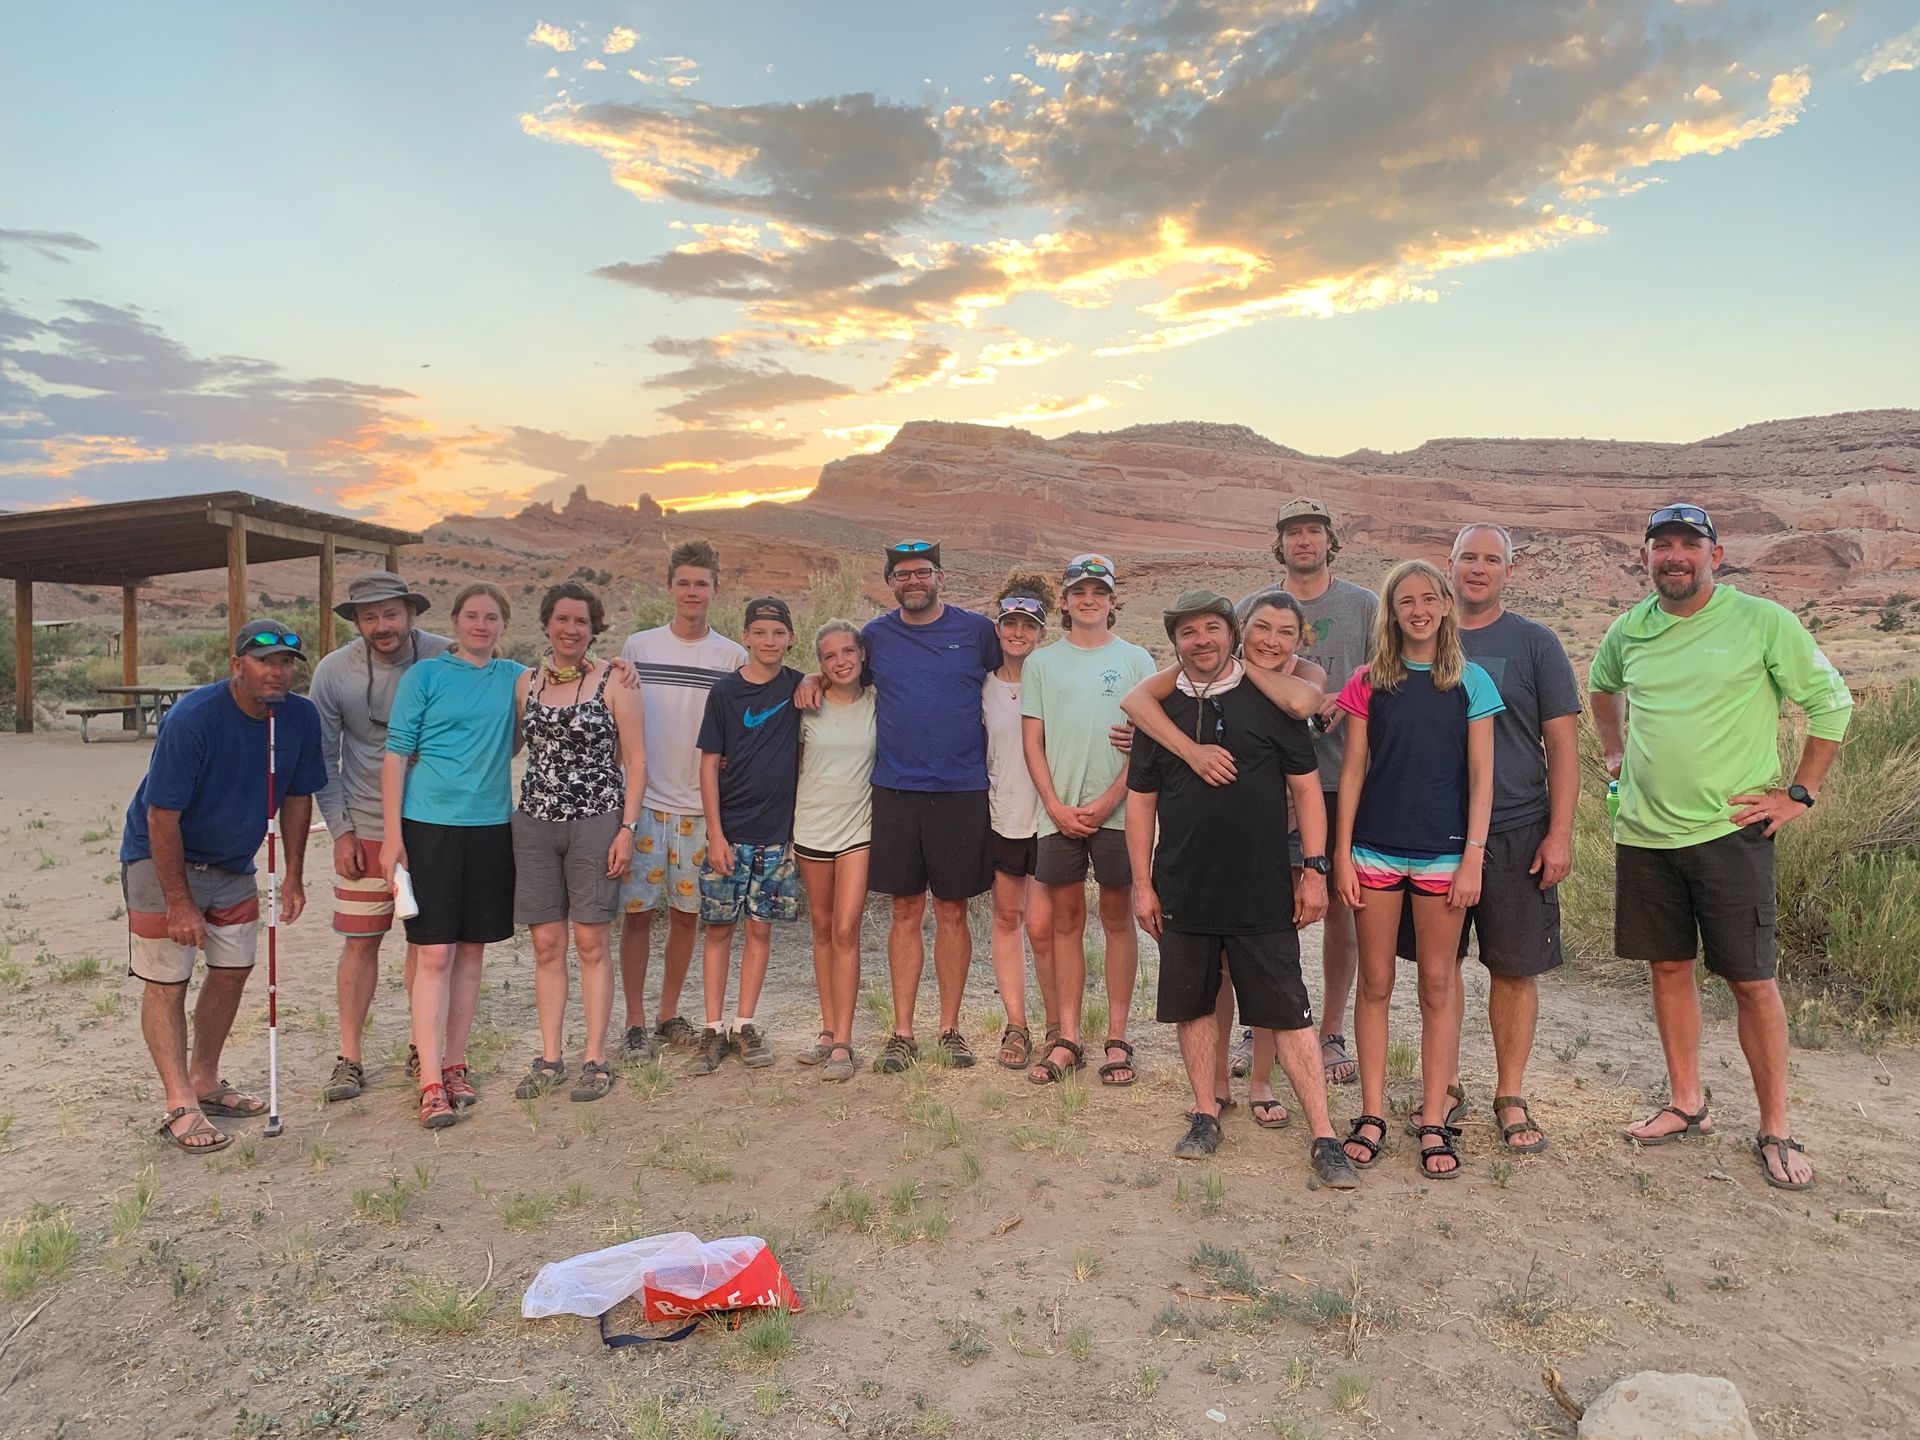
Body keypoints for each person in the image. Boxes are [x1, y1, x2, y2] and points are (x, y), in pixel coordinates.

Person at [1591, 503, 1852, 1191]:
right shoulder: (1629, 630)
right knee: (1669, 968)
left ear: (1716, 552)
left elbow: (1832, 703)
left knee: (1751, 980)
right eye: (1661, 545)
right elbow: (1601, 687)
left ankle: (1775, 1129)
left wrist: (1797, 795)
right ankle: (1687, 1102)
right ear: (1644, 556)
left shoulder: (1761, 621)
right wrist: (1614, 751)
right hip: (1645, 834)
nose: (1674, 556)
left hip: (1730, 834)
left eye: (1688, 545)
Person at [1124, 592, 1354, 1186]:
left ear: (1232, 635)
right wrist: (1142, 886)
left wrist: (1314, 868)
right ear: (1175, 643)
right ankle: (1205, 1112)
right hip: (1183, 881)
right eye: (1189, 633)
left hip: (1261, 883)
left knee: (1287, 1008)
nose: (1202, 640)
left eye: (1212, 629)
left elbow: (1306, 790)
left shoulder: (1273, 701)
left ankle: (1325, 1135)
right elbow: (1141, 802)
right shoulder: (1160, 708)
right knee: (1195, 1003)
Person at [1392, 525, 1579, 1153]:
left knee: (1514, 965)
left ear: (1508, 570)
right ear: (1448, 567)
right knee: (1437, 971)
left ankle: (1510, 1092)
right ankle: (1441, 1087)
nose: (1478, 569)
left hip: (1514, 830)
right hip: (1428, 833)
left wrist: (1559, 833)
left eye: (1490, 560)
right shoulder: (1409, 639)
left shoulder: (1534, 643)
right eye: (1467, 558)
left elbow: (1563, 746)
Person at [123, 621, 327, 1153]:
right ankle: (179, 1103)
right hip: (161, 858)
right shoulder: (193, 719)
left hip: (233, 862)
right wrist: (179, 902)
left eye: (287, 663)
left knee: (233, 969)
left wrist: (296, 875)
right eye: (265, 661)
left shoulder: (300, 718)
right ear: (237, 664)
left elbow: (298, 797)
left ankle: (207, 1080)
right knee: (168, 977)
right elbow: (161, 814)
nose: (278, 672)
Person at [800, 540, 1001, 1074]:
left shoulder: (976, 631)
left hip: (961, 790)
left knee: (953, 911)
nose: (913, 581)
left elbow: (1012, 680)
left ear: (940, 577)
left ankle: (951, 1030)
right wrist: (810, 676)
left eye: (922, 572)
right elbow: (842, 672)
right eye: (902, 574)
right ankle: (902, 1032)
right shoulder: (876, 637)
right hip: (894, 791)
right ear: (890, 582)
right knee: (906, 909)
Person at [1332, 560, 1503, 1181]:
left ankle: (1434, 1117)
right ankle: (1372, 1113)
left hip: (1446, 853)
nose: (1419, 609)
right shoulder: (1368, 681)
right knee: (1375, 984)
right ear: (1392, 611)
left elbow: (1483, 777)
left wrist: (1475, 858)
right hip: (1375, 849)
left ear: (1446, 606)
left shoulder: (1471, 682)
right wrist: (1343, 854)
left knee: (1437, 984)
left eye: (1430, 598)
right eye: (1406, 600)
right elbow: (1353, 771)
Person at [1238, 498, 1377, 1090]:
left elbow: (1382, 670)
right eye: (1293, 533)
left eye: (1313, 532)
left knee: (1339, 902)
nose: (1303, 541)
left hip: (1343, 772)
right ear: (1280, 542)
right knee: (1266, 904)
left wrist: (1340, 706)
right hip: (1270, 778)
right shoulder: (1251, 607)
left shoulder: (1363, 605)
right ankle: (1259, 1026)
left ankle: (1332, 1031)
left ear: (1329, 541)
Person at [381, 582, 526, 1129]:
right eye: (472, 616)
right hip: (427, 825)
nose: (481, 625)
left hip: (490, 826)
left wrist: (617, 668)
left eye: (492, 617)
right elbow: (395, 758)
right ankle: (430, 1083)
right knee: (434, 953)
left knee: (470, 952)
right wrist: (392, 837)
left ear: (503, 625)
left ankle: (455, 1063)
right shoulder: (426, 676)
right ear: (456, 622)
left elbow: (571, 681)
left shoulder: (515, 678)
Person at [310, 570, 452, 1101]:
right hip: (366, 827)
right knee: (361, 941)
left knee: (426, 939)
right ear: (358, 621)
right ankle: (349, 1056)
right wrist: (341, 831)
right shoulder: (333, 673)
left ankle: (423, 1046)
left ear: (412, 614)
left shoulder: (446, 657)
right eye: (369, 616)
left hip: (434, 824)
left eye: (391, 613)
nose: (381, 625)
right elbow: (324, 759)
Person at [1021, 555, 1157, 1088]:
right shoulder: (1042, 663)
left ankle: (1118, 1036)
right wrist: (1053, 804)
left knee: (1119, 917)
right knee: (1065, 921)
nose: (1089, 599)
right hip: (1058, 813)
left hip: (1121, 812)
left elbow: (1147, 739)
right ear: (1064, 601)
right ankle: (1069, 1037)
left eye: (1099, 591)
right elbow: (1033, 741)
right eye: (1079, 591)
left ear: (1113, 600)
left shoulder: (1136, 660)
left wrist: (1108, 801)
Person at [510, 583, 647, 1104]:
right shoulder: (525, 683)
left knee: (591, 943)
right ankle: (549, 1058)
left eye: (582, 622)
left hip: (597, 822)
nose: (571, 629)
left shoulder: (616, 680)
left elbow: (636, 760)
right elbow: (508, 743)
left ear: (594, 629)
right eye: (562, 619)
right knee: (547, 945)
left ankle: (595, 1057)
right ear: (546, 623)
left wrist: (627, 830)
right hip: (536, 823)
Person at [616, 540, 746, 1060]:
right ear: (669, 587)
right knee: (637, 915)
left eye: (703, 583)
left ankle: (669, 1013)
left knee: (687, 916)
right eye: (684, 582)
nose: (693, 592)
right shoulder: (638, 648)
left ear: (717, 589)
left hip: (700, 810)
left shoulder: (731, 656)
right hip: (643, 806)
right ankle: (633, 1021)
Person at [691, 596, 805, 1075]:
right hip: (730, 834)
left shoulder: (800, 686)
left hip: (776, 836)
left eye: (777, 633)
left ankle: (744, 1023)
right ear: (745, 637)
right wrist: (715, 834)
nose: (769, 641)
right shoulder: (725, 693)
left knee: (760, 929)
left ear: (791, 639)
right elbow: (708, 766)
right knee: (719, 930)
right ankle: (712, 1029)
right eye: (759, 633)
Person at [793, 619, 877, 1083]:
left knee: (846, 930)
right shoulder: (807, 704)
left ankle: (844, 1039)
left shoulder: (878, 704)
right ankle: (826, 1029)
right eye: (829, 656)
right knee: (822, 930)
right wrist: (808, 681)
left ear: (862, 655)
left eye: (848, 652)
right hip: (810, 829)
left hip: (858, 830)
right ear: (819, 663)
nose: (840, 661)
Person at [982, 575, 1059, 1072]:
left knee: (1044, 926)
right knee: (1007, 920)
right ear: (999, 627)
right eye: (1009, 623)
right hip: (1000, 813)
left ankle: (1058, 1025)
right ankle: (1017, 1023)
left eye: (1027, 625)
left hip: (1048, 817)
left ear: (1040, 631)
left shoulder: (1052, 679)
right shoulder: (982, 684)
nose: (1017, 632)